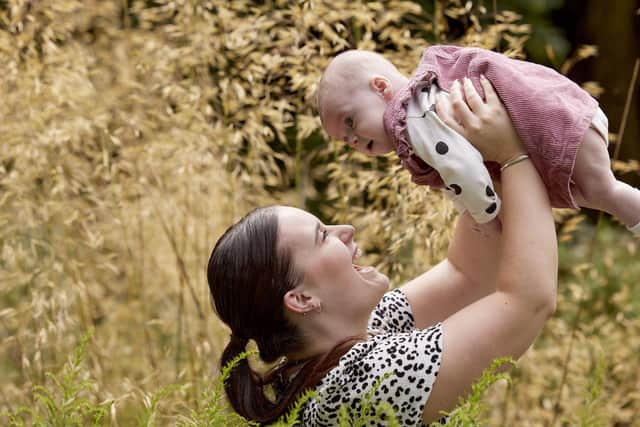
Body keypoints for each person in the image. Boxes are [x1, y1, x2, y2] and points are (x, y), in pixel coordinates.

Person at [207, 80, 558, 425]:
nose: (345, 231)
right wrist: (514, 156)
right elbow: (528, 302)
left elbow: (466, 275)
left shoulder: (347, 339)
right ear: (300, 299)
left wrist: (478, 160)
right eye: (321, 236)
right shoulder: (358, 385)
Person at [317, 45, 640, 233]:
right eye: (345, 139)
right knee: (594, 195)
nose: (354, 138)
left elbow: (462, 167)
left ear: (381, 87)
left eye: (351, 121)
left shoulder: (416, 117)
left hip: (556, 127)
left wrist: (485, 216)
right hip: (561, 118)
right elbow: (452, 174)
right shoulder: (424, 101)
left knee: (604, 191)